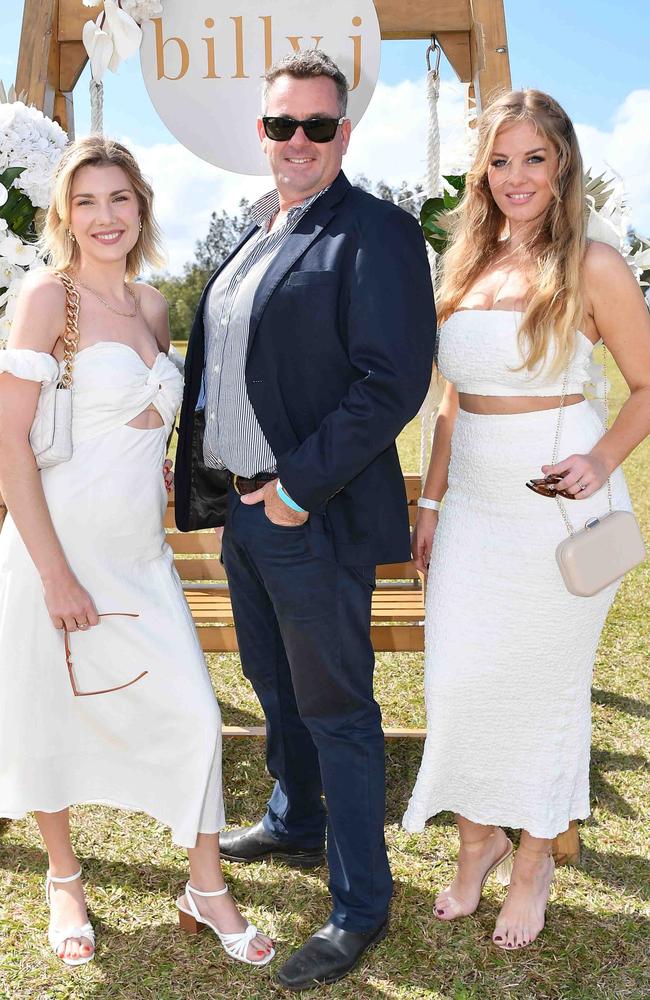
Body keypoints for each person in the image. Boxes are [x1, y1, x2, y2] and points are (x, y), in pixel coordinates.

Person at [174, 51, 436, 989]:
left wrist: (294, 490)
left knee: (338, 710)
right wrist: (226, 493)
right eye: (282, 125)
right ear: (262, 131)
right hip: (245, 514)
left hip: (309, 517)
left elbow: (391, 382)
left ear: (344, 135)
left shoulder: (377, 234)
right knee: (273, 685)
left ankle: (361, 903)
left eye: (317, 126)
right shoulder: (254, 232)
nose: (297, 142)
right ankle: (296, 818)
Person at [0, 137, 274, 969]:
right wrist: (53, 574)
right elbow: (9, 443)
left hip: (141, 558)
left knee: (195, 714)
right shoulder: (48, 298)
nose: (104, 217)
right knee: (49, 712)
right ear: (64, 214)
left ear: (141, 207)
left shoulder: (154, 308)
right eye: (86, 202)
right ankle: (64, 877)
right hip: (59, 549)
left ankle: (204, 883)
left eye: (119, 199)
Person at [403, 89, 650, 950]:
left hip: (562, 512)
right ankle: (477, 843)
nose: (516, 177)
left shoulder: (596, 264)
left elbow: (647, 386)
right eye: (499, 160)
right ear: (482, 173)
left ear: (563, 166)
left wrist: (602, 459)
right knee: (462, 685)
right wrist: (430, 502)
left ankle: (535, 856)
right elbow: (450, 404)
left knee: (544, 691)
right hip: (470, 507)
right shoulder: (462, 262)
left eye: (533, 158)